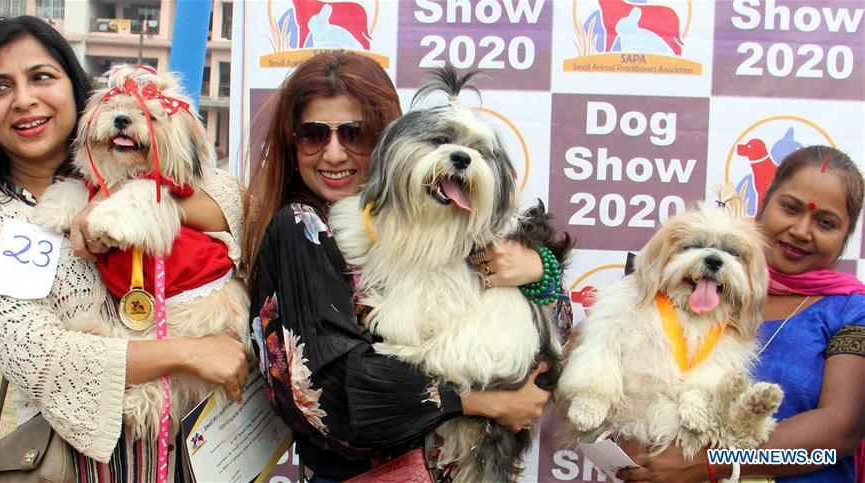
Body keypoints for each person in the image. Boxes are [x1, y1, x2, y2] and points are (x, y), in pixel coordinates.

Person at [243, 51, 568, 480]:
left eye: (354, 134)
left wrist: (540, 270)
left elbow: (551, 337)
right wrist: (481, 401)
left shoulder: (451, 219)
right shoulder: (301, 230)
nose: (334, 153)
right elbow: (330, 397)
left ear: (386, 139)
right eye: (313, 134)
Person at [0, 16, 248, 480]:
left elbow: (236, 203)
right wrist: (190, 353)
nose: (24, 99)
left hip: (191, 453)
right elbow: (41, 357)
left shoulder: (122, 163)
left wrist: (135, 201)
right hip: (76, 460)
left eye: (41, 77)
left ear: (74, 88)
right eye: (0, 87)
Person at [617, 145, 865, 482]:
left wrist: (714, 462)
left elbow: (841, 435)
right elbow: (621, 377)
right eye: (790, 208)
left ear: (846, 236)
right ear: (764, 203)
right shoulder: (682, 282)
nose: (801, 230)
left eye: (825, 222)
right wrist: (635, 447)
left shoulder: (851, 311)